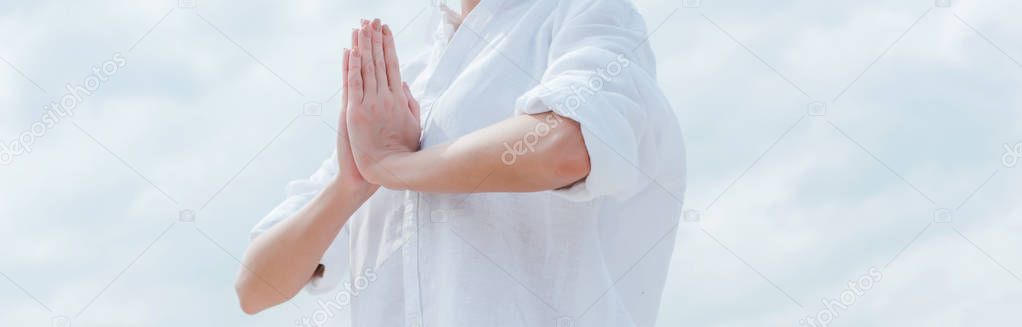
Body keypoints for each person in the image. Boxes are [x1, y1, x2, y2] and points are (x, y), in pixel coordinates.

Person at [235, 0, 686, 326]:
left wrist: (394, 168)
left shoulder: (587, 16)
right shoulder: (405, 85)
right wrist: (350, 186)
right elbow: (256, 287)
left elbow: (566, 147)